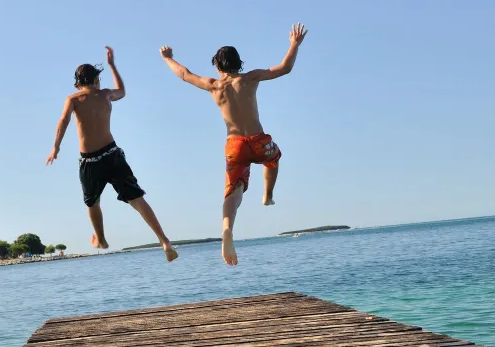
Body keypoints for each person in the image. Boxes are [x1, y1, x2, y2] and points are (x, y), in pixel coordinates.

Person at [160, 23, 308, 266]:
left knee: (233, 190)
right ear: (240, 64)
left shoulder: (214, 86)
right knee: (273, 158)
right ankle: (267, 195)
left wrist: (168, 58)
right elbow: (285, 68)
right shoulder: (251, 78)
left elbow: (185, 74)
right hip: (258, 141)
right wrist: (294, 44)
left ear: (217, 67)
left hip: (234, 145)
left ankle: (227, 228)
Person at [46, 46, 178, 262]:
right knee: (137, 199)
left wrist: (56, 147)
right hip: (112, 154)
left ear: (77, 83)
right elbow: (122, 91)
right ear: (96, 80)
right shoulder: (106, 94)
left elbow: (63, 121)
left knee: (92, 202)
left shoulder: (74, 99)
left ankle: (100, 239)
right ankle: (164, 240)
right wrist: (112, 65)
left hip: (90, 161)